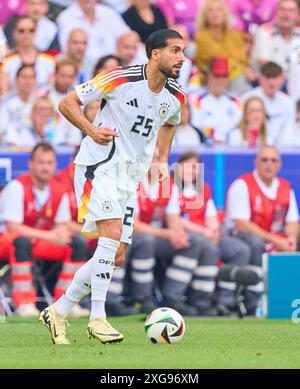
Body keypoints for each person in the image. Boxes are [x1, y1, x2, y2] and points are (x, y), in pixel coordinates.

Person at [39, 28, 186, 345]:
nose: (182, 58)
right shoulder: (119, 78)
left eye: (183, 51)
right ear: (155, 53)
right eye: (175, 50)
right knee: (110, 235)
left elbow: (171, 122)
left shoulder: (176, 95)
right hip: (99, 167)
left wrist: (162, 158)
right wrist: (91, 130)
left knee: (115, 255)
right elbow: (67, 103)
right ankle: (97, 318)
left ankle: (59, 310)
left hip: (129, 179)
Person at [0, 143, 90, 317]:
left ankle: (68, 302)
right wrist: (50, 235)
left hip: (37, 241)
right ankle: (24, 303)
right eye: (41, 162)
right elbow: (12, 227)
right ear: (31, 164)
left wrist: (60, 234)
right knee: (21, 241)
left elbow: (61, 223)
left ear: (55, 165)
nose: (45, 167)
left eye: (49, 163)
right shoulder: (17, 186)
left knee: (76, 243)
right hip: (7, 241)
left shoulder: (59, 190)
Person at [226, 145, 299, 314]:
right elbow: (242, 224)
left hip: (274, 237)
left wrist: (291, 238)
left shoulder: (285, 187)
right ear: (256, 162)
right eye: (264, 159)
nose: (269, 164)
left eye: (273, 160)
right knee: (255, 243)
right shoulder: (242, 184)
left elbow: (293, 220)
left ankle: (290, 300)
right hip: (241, 237)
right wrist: (275, 240)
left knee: (293, 243)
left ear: (280, 165)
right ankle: (253, 302)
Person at [189, 56, 242, 144]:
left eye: (224, 76)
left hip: (231, 148)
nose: (220, 80)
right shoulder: (195, 99)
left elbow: (238, 125)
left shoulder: (236, 101)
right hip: (204, 146)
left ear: (228, 78)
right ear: (208, 76)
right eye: (216, 75)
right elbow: (196, 126)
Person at [242, 61, 296, 145]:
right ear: (260, 78)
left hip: (282, 148)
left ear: (282, 79)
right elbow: (242, 125)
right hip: (254, 145)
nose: (271, 82)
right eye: (268, 77)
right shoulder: (247, 98)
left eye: (275, 77)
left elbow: (289, 130)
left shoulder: (289, 102)